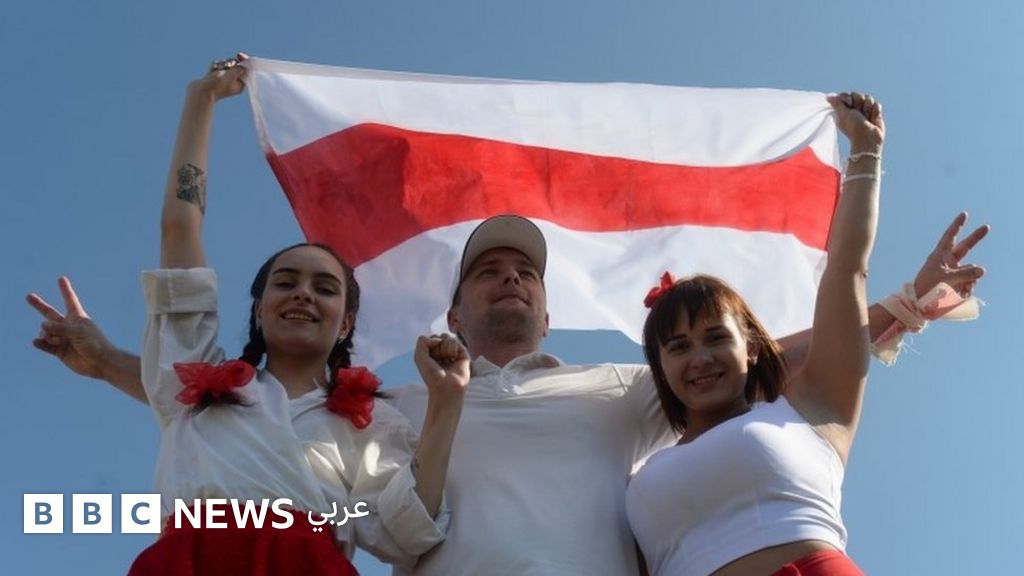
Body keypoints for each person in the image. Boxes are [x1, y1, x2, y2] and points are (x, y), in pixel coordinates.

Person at [30, 100, 988, 575]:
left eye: (525, 271)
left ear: (547, 306)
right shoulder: (392, 404)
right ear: (452, 313)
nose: (510, 279)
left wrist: (903, 305)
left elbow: (763, 357)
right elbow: (247, 423)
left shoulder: (624, 390)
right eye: (487, 270)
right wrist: (106, 361)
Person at [35, 53, 467, 575]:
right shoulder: (195, 388)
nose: (303, 294)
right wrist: (201, 101)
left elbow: (405, 534)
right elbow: (179, 227)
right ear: (259, 310)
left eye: (325, 288)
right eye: (285, 282)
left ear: (346, 323)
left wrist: (446, 402)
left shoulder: (370, 420)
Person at [625, 92, 886, 575]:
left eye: (715, 338)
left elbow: (846, 268)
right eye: (679, 347)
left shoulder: (810, 409)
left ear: (749, 347)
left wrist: (866, 152)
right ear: (660, 367)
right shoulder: (638, 479)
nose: (700, 358)